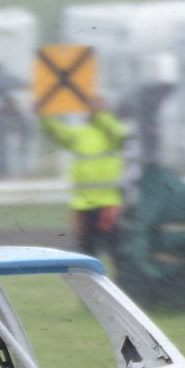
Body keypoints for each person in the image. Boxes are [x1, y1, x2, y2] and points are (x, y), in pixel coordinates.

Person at [41, 96, 128, 261]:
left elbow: (120, 133)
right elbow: (56, 131)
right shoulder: (81, 133)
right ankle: (89, 284)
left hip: (108, 203)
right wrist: (43, 113)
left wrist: (102, 114)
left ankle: (119, 283)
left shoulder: (113, 132)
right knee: (86, 252)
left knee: (116, 251)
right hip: (83, 204)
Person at [0, 93, 29, 179]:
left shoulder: (16, 112)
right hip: (1, 139)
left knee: (9, 156)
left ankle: (9, 173)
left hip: (12, 139)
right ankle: (1, 173)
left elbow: (24, 126)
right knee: (1, 156)